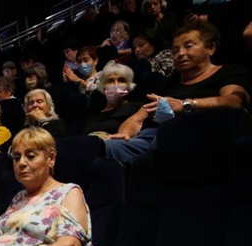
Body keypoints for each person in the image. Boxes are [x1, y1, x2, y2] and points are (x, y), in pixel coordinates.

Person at [106, 20, 251, 163]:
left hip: (198, 134)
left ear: (211, 48)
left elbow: (234, 101)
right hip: (152, 138)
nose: (180, 54)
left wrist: (186, 104)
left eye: (189, 46)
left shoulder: (228, 72)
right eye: (175, 51)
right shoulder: (168, 84)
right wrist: (125, 133)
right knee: (109, 146)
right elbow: (138, 117)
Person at [84, 61, 144, 137]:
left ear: (128, 85)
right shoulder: (93, 113)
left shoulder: (137, 108)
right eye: (110, 81)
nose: (116, 84)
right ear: (103, 86)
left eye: (121, 80)